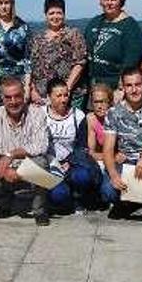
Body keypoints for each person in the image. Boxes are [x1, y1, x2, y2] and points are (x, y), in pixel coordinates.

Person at [99, 68, 142, 229]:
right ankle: (129, 202)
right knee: (107, 191)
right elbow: (108, 149)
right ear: (123, 88)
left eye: (138, 84)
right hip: (125, 160)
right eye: (129, 85)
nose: (134, 89)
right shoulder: (113, 113)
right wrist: (114, 175)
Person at [0, 76, 52, 226]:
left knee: (41, 163)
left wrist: (11, 155)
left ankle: (40, 210)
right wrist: (4, 171)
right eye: (8, 97)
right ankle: (5, 204)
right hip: (6, 173)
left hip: (28, 168)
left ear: (24, 94)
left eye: (17, 96)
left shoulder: (37, 114)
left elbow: (41, 146)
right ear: (2, 98)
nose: (13, 101)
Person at [43, 78, 100, 211]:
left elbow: (82, 145)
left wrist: (70, 162)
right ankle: (56, 197)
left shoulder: (78, 115)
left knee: (83, 176)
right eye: (58, 96)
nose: (63, 99)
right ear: (49, 97)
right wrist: (52, 162)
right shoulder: (40, 114)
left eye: (66, 95)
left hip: (71, 162)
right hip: (49, 163)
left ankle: (78, 196)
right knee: (59, 195)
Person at [84, 0, 142, 97]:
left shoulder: (130, 26)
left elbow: (131, 60)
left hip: (114, 85)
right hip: (92, 84)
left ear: (120, 1)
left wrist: (121, 88)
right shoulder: (94, 22)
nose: (109, 3)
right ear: (100, 1)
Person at [28, 0, 88, 110]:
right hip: (42, 97)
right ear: (46, 15)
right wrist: (33, 90)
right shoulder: (37, 38)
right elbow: (29, 66)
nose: (55, 16)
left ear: (64, 15)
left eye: (59, 13)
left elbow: (80, 63)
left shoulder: (73, 34)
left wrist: (66, 89)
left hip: (68, 95)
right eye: (51, 13)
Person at [86, 83, 114, 167]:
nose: (99, 106)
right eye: (96, 102)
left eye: (103, 102)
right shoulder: (91, 119)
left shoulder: (117, 117)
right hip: (103, 160)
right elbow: (91, 153)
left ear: (109, 102)